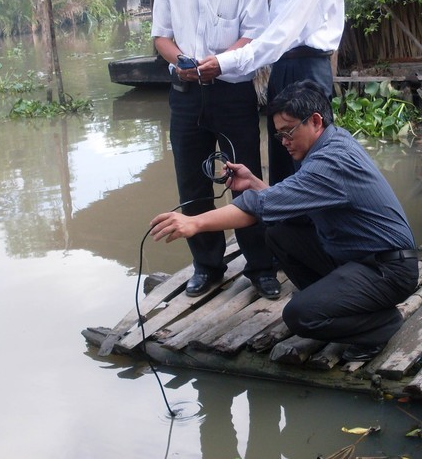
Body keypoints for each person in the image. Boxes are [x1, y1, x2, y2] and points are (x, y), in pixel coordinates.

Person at [150, 80, 419, 361]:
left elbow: (257, 206)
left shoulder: (331, 161)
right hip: (359, 258)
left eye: (288, 132)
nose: (285, 141)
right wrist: (254, 182)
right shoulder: (333, 140)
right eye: (279, 135)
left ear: (315, 121)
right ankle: (336, 305)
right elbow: (281, 202)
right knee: (280, 231)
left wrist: (194, 223)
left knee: (299, 316)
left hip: (387, 271)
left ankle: (381, 325)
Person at [151, 0, 280, 299]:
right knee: (192, 180)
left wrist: (220, 62)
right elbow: (161, 37)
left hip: (231, 91)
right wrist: (181, 62)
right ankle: (208, 266)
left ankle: (261, 266)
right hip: (186, 94)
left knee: (244, 177)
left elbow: (256, 33)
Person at [198, 0, 345, 185]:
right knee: (282, 157)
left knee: (308, 164)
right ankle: (283, 227)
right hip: (284, 67)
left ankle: (310, 230)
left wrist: (225, 62)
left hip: (306, 70)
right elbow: (270, 29)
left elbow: (280, 35)